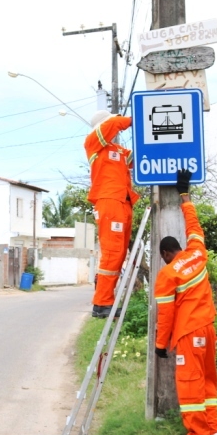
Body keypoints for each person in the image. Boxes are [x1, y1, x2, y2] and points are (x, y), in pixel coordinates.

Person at [154, 168, 217, 435]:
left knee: (190, 384)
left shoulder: (167, 275)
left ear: (164, 254)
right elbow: (194, 226)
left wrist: (161, 345)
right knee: (207, 380)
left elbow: (166, 314)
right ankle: (214, 425)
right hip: (207, 330)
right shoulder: (197, 253)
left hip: (188, 335)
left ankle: (199, 433)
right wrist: (185, 193)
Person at [84, 110, 140, 318]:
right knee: (112, 252)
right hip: (109, 202)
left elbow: (140, 158)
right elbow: (113, 124)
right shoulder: (93, 144)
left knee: (120, 254)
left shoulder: (119, 151)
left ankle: (104, 301)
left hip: (124, 203)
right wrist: (135, 117)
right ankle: (102, 303)